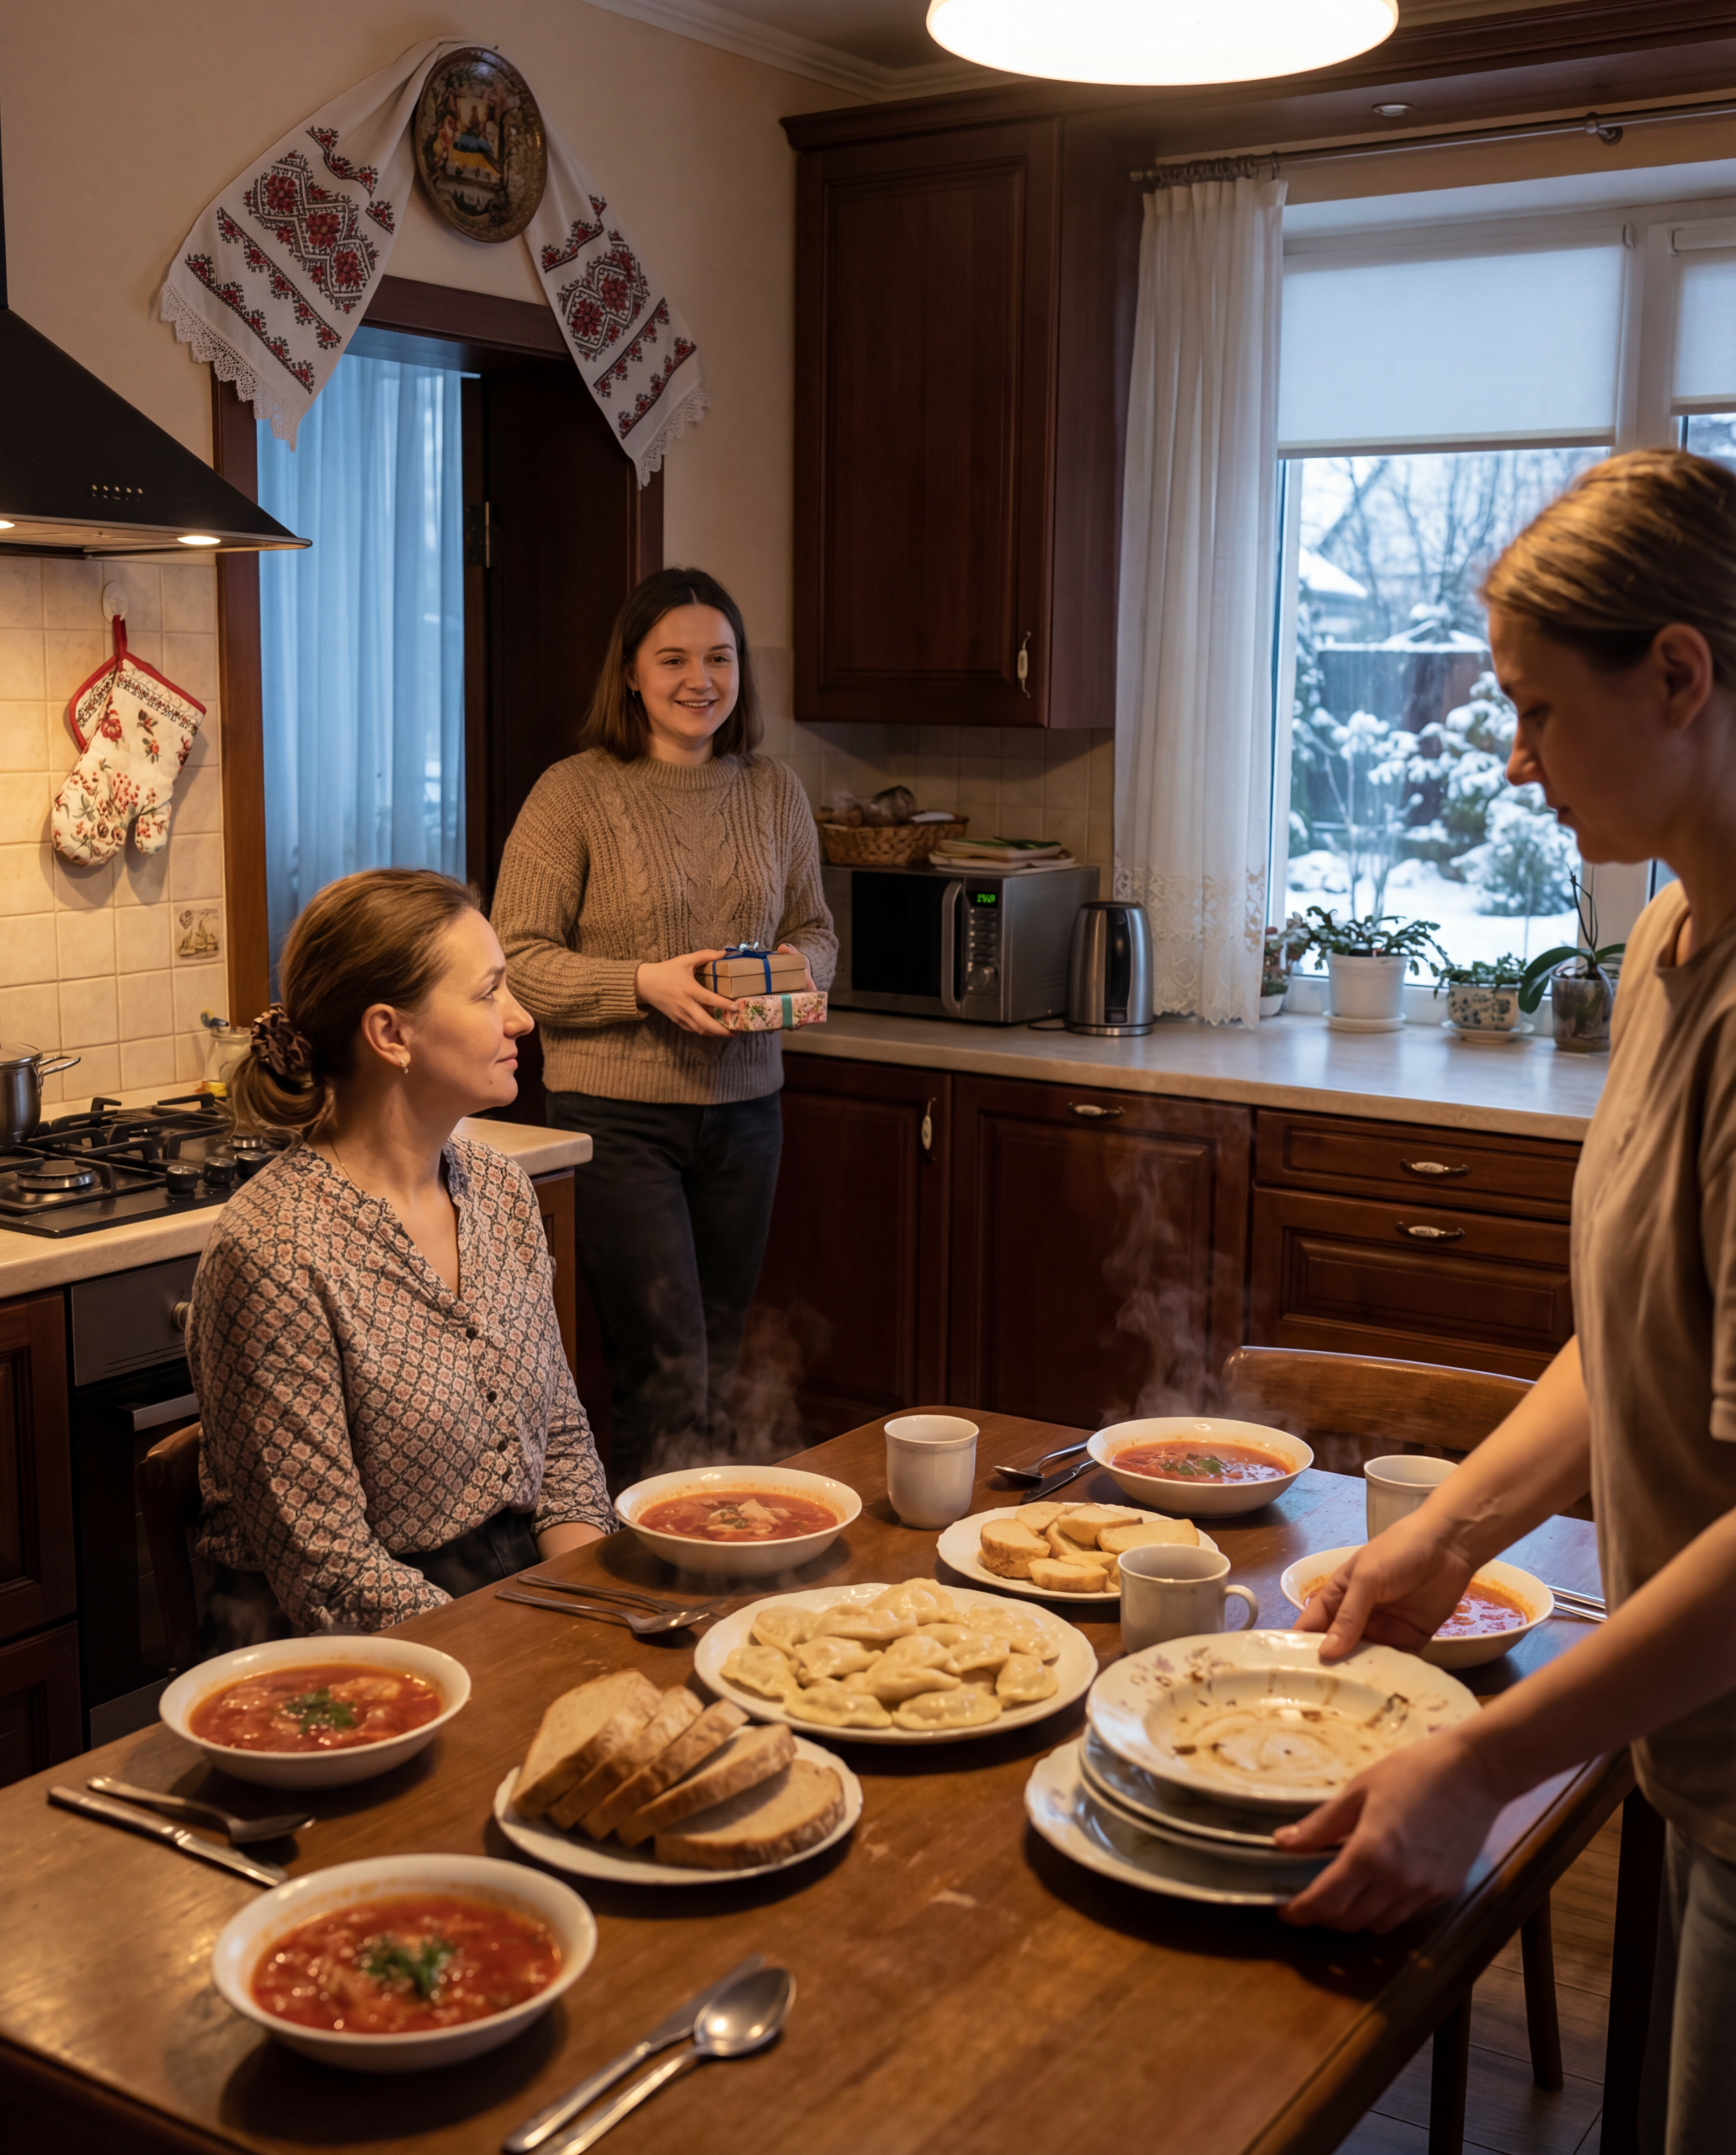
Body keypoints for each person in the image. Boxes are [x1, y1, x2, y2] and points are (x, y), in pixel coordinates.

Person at [1276, 450, 1736, 2154]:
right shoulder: (1668, 948)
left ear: (1676, 673)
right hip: (1692, 1739)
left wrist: (1480, 1764)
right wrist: (1445, 1533)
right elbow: (1633, 1342)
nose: (1514, 760)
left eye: (1538, 709)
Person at [188, 867, 611, 1635]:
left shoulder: (500, 1189)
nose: (520, 1019)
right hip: (344, 1650)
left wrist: (591, 1609)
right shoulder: (275, 1249)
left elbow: (559, 1443)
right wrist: (522, 1651)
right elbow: (331, 1572)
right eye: (489, 993)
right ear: (390, 1034)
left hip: (517, 1599)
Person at [491, 567, 836, 1490]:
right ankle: (654, 1562)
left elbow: (815, 929)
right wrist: (644, 984)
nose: (700, 679)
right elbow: (515, 958)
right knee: (665, 1373)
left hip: (747, 1116)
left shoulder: (774, 791)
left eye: (719, 658)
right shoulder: (573, 793)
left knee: (718, 1367)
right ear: (632, 675)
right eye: (674, 659)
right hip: (615, 1121)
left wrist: (793, 976)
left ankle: (716, 1540)